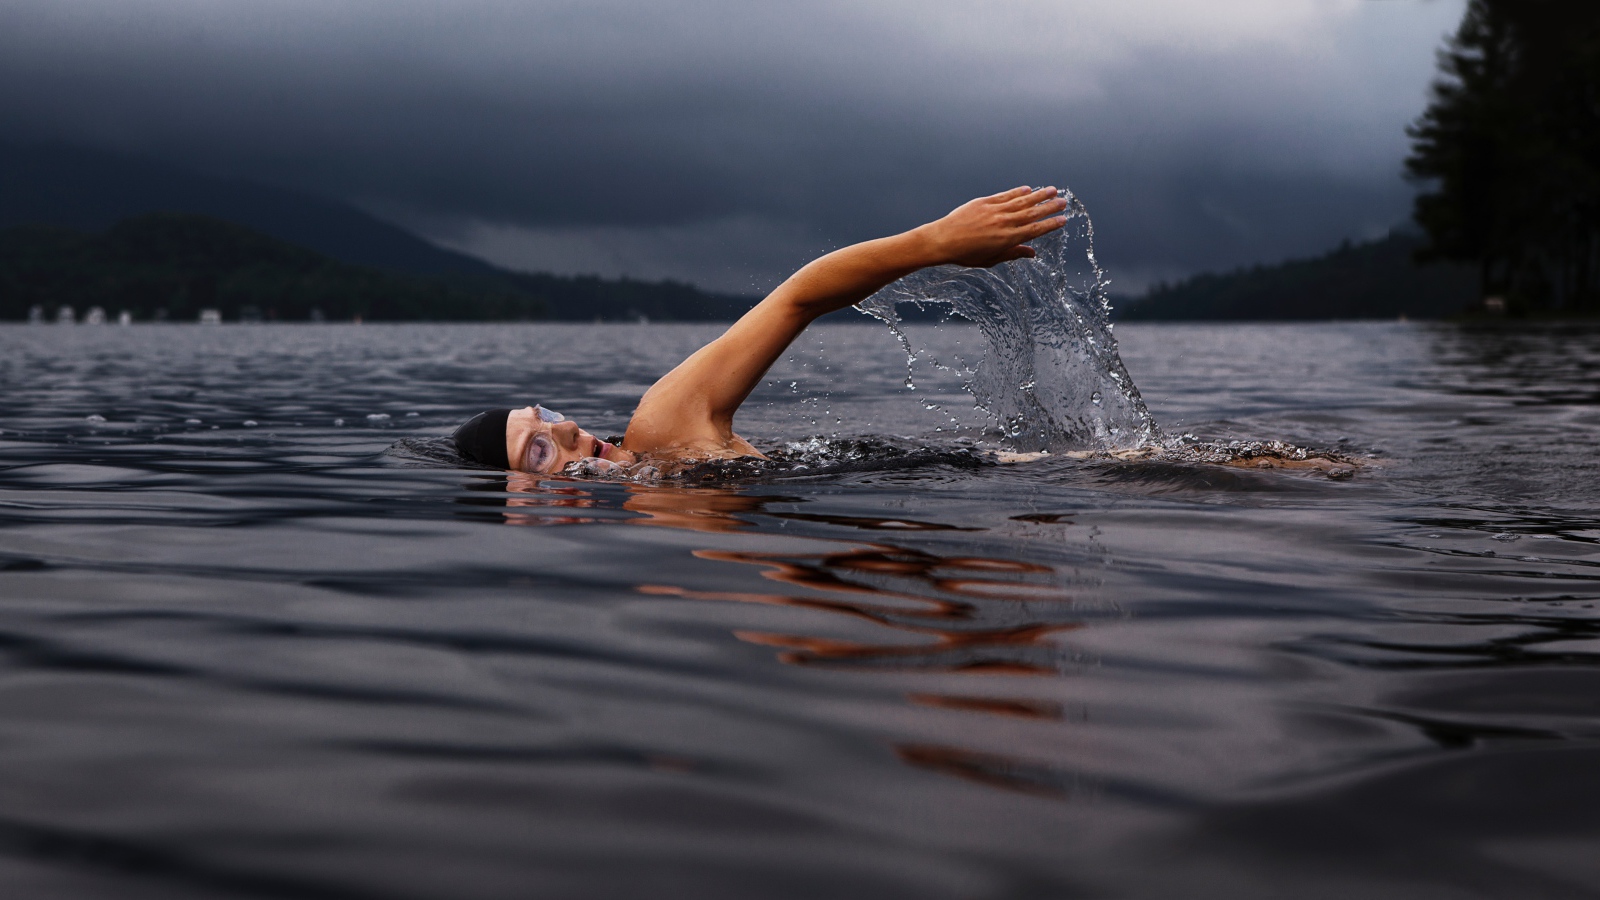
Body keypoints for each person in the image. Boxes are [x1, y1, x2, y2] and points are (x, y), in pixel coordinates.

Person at [452, 186, 1071, 475]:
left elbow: (796, 299)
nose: (565, 428)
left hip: (1026, 473)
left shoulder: (662, 429)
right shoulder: (655, 525)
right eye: (539, 449)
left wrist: (934, 243)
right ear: (523, 504)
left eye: (546, 416)